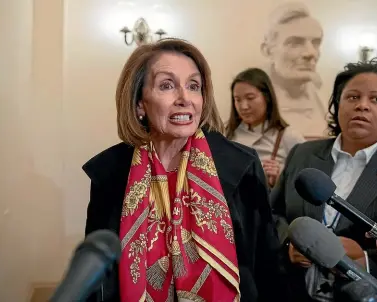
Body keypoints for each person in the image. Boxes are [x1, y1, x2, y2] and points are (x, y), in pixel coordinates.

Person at [82, 38, 284, 302]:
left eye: (193, 86)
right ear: (139, 103)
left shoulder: (240, 165)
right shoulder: (109, 173)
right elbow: (97, 277)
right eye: (167, 85)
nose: (184, 98)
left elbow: (267, 268)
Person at [270, 59, 377, 301]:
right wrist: (290, 243)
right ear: (338, 104)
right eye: (352, 97)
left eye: (376, 99)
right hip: (292, 291)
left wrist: (366, 258)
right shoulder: (303, 153)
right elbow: (273, 212)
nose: (362, 106)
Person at [226, 67, 305, 187]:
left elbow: (306, 183)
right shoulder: (225, 133)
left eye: (250, 98)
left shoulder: (288, 136)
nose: (244, 106)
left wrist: (280, 179)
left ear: (267, 97)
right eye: (237, 100)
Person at [261, 1, 327, 138]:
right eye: (295, 43)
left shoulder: (327, 97)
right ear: (268, 51)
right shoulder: (256, 99)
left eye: (316, 43)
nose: (311, 53)